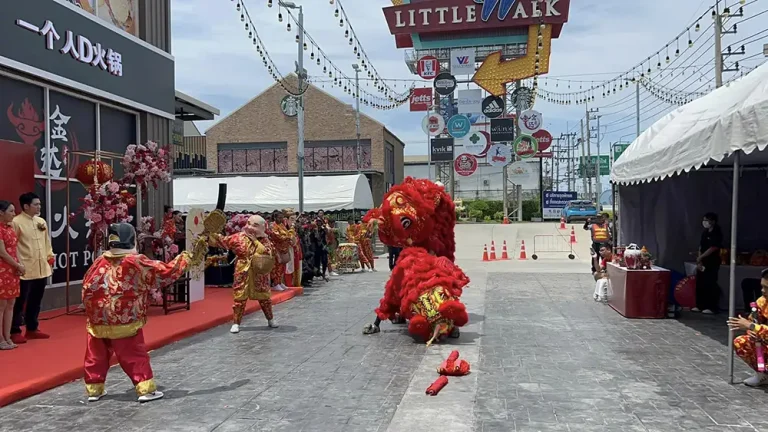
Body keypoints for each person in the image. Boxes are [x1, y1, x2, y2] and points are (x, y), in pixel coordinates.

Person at [81, 223, 193, 402]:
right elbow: (164, 272)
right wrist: (186, 258)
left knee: (97, 355)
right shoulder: (134, 260)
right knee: (133, 354)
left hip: (98, 317)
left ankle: (94, 389)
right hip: (124, 316)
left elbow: (86, 284)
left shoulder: (99, 260)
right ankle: (145, 388)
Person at [211, 215, 278, 333]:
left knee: (265, 299)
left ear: (263, 227)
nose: (251, 227)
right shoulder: (239, 237)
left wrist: (255, 241)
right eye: (249, 224)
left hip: (259, 273)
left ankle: (270, 319)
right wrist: (209, 235)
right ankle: (236, 323)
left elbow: (267, 252)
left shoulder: (266, 240)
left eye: (255, 226)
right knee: (239, 299)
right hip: (242, 271)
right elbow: (223, 241)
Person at [10, 192, 54, 344]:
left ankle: (32, 328)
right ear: (26, 206)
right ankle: (14, 330)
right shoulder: (16, 222)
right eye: (36, 204)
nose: (39, 207)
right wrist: (17, 263)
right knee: (19, 301)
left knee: (36, 299)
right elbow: (12, 245)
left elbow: (46, 241)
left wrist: (50, 256)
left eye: (39, 204)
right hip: (24, 268)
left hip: (41, 266)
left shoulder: (41, 221)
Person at [729, 268, 768, 387]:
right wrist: (750, 330)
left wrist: (751, 326)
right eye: (762, 286)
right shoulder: (762, 302)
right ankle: (763, 376)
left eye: (767, 288)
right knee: (741, 342)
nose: (763, 291)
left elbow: (752, 325)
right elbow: (752, 321)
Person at [0, 201, 23, 350]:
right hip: (2, 270)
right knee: (1, 305)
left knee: (11, 304)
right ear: (1, 212)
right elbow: (2, 252)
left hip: (12, 271)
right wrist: (16, 265)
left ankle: (7, 337)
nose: (14, 214)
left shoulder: (10, 228)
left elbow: (15, 249)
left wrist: (20, 264)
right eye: (11, 211)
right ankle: (1, 338)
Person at [694, 212, 723, 314]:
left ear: (713, 221)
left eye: (707, 220)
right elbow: (701, 246)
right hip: (703, 261)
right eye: (704, 220)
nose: (705, 222)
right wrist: (699, 259)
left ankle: (711, 306)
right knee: (700, 283)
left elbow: (713, 247)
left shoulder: (717, 232)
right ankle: (700, 305)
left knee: (710, 283)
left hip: (712, 261)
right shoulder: (705, 232)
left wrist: (702, 256)